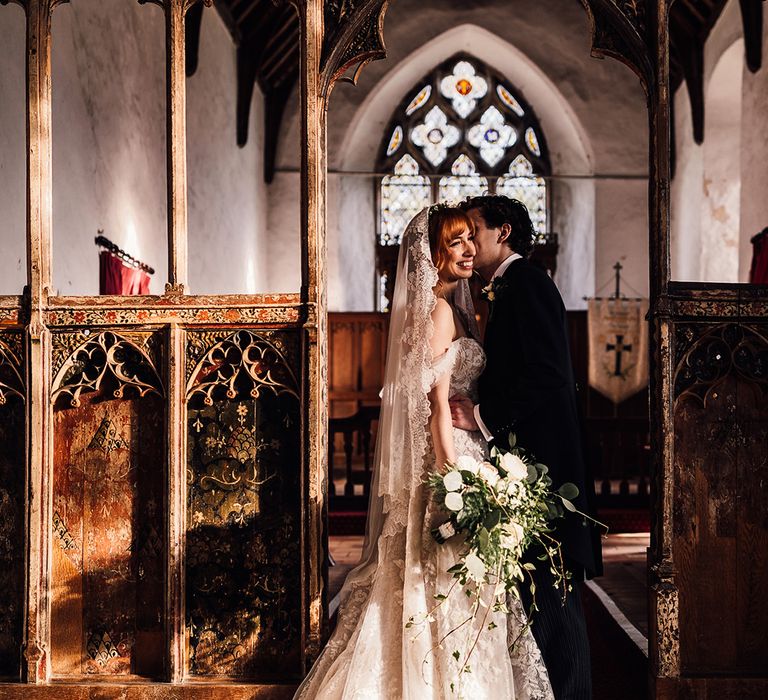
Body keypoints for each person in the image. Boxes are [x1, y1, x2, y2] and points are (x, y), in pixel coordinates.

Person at [295, 205, 553, 699]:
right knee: (447, 581)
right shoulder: (438, 312)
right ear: (433, 254)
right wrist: (453, 477)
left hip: (469, 447)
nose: (468, 250)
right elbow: (435, 405)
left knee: (470, 584)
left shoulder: (460, 306)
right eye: (455, 243)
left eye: (469, 241)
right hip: (451, 458)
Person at [451, 195, 603, 700]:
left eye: (476, 230)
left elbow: (547, 373)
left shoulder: (528, 284)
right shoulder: (506, 288)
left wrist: (481, 416)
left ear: (506, 232)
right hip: (526, 472)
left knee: (555, 604)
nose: (469, 241)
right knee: (540, 602)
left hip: (545, 475)